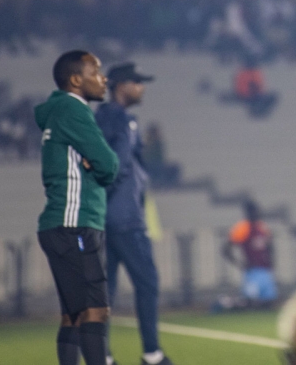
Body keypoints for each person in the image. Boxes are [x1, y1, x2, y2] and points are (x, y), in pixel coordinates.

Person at [35, 50, 119, 365]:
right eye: (95, 71)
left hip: (59, 225)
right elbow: (109, 165)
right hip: (76, 224)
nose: (103, 78)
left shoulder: (58, 112)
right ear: (75, 79)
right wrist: (98, 165)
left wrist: (93, 163)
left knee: (73, 314)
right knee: (95, 310)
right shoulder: (73, 109)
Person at [95, 63, 175, 365]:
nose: (141, 87)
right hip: (124, 218)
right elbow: (115, 167)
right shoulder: (121, 122)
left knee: (107, 291)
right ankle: (152, 355)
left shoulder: (100, 118)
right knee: (148, 282)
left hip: (105, 218)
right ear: (121, 86)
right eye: (136, 82)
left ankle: (101, 356)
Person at [223, 200, 277, 307]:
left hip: (265, 270)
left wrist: (272, 261)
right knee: (251, 302)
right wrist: (240, 264)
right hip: (253, 271)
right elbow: (226, 249)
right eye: (253, 211)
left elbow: (270, 246)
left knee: (268, 303)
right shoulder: (242, 228)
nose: (256, 213)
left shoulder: (262, 227)